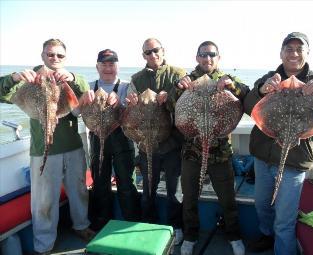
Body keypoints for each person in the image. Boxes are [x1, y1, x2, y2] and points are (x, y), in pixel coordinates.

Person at [243, 32, 313, 255]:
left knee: (284, 221)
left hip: (294, 162)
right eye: (289, 49)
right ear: (281, 53)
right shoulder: (270, 77)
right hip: (264, 156)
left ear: (307, 53)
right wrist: (261, 90)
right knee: (262, 206)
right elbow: (248, 106)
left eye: (299, 49)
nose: (294, 53)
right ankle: (266, 236)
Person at [0, 39, 95, 255]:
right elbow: (2, 93)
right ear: (42, 56)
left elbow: (85, 93)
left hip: (72, 147)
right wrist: (14, 77)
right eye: (50, 55)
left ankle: (81, 226)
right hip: (43, 150)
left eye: (59, 55)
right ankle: (44, 245)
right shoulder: (30, 79)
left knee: (79, 190)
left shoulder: (70, 78)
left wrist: (72, 78)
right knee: (43, 199)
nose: (55, 59)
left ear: (65, 58)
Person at [176, 41, 249, 255]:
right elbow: (171, 107)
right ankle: (190, 236)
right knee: (189, 198)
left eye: (212, 54)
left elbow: (246, 96)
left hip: (220, 152)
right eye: (203, 54)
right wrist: (178, 88)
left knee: (227, 198)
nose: (208, 58)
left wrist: (232, 86)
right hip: (192, 151)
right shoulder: (188, 81)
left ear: (218, 58)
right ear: (197, 57)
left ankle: (233, 235)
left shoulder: (227, 80)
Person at [125, 38, 186, 245]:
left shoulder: (177, 74)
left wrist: (169, 97)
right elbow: (130, 115)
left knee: (173, 191)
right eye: (147, 52)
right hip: (146, 145)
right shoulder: (136, 78)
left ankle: (176, 226)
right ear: (143, 55)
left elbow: (186, 103)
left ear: (163, 50)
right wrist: (132, 105)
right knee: (147, 190)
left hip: (172, 143)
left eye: (156, 50)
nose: (153, 55)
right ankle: (147, 223)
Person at [79, 49, 141, 230]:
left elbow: (135, 117)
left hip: (122, 138)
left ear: (118, 67)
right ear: (97, 66)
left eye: (111, 64)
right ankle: (102, 223)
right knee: (100, 182)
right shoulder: (89, 87)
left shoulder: (127, 86)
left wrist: (122, 105)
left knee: (126, 182)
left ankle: (130, 224)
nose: (108, 68)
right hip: (98, 139)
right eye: (104, 64)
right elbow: (75, 112)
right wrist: (83, 100)